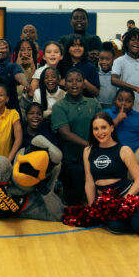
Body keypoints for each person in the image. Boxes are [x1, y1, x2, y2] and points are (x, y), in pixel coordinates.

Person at [50, 68, 102, 205]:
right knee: (74, 201)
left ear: (84, 84)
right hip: (72, 161)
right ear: (64, 84)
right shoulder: (59, 106)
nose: (74, 84)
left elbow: (102, 128)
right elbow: (65, 134)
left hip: (95, 157)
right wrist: (89, 145)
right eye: (70, 81)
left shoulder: (94, 103)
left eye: (79, 81)